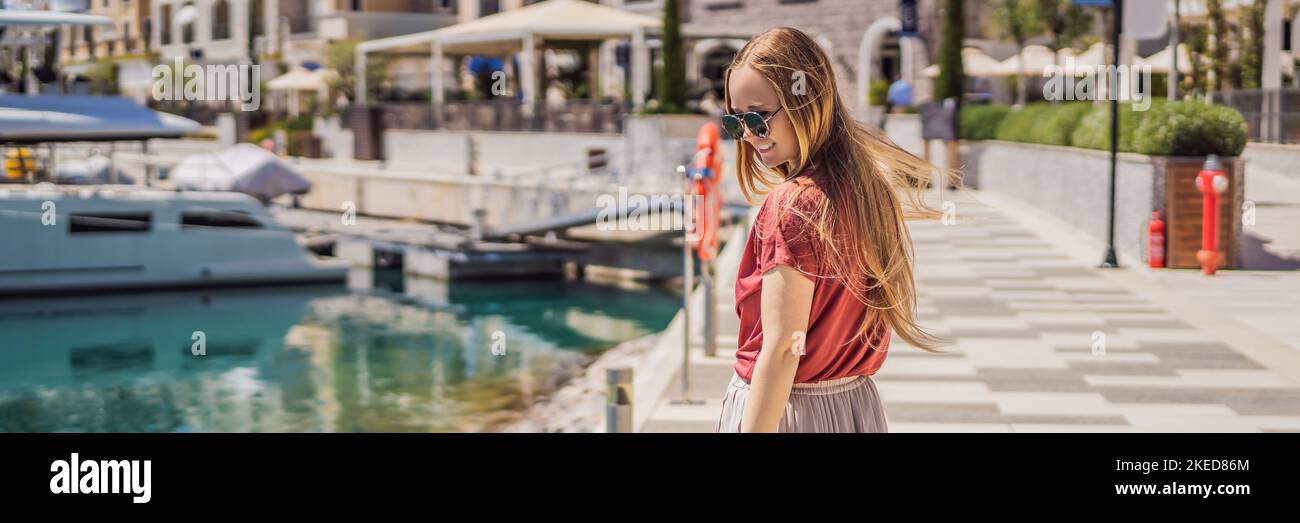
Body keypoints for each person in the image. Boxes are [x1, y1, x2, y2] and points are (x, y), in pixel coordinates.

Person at [714, 27, 953, 433]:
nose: (749, 134)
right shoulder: (866, 189)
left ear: (807, 103)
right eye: (736, 121)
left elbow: (783, 348)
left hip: (788, 410)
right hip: (854, 406)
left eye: (757, 117)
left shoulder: (792, 205)